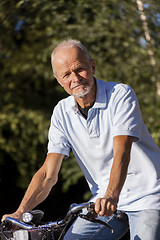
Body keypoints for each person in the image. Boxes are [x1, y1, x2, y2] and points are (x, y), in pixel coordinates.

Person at [2, 39, 160, 240]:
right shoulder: (61, 112)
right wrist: (20, 212)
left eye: (80, 69)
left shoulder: (120, 95)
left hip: (148, 196)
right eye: (66, 75)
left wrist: (111, 195)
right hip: (103, 201)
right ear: (58, 79)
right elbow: (48, 173)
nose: (75, 78)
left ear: (92, 66)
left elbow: (122, 152)